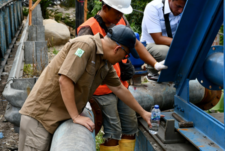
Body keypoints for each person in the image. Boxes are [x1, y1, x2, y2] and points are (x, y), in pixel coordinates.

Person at [18, 25, 152, 151]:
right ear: (117, 49)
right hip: (41, 119)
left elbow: (120, 89)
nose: (124, 59)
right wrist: (76, 116)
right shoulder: (84, 45)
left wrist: (143, 113)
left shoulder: (104, 63)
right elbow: (65, 80)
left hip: (56, 119)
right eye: (126, 54)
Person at [77, 0, 167, 151]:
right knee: (113, 131)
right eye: (117, 12)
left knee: (130, 126)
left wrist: (154, 63)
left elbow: (136, 44)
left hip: (120, 86)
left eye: (122, 13)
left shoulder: (121, 22)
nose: (120, 16)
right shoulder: (88, 29)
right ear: (105, 7)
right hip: (101, 90)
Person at [140, 0, 191, 80]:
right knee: (168, 53)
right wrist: (182, 44)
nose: (181, 11)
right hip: (150, 46)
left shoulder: (183, 10)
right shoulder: (153, 8)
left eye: (184, 7)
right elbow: (158, 39)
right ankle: (150, 70)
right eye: (178, 6)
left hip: (172, 44)